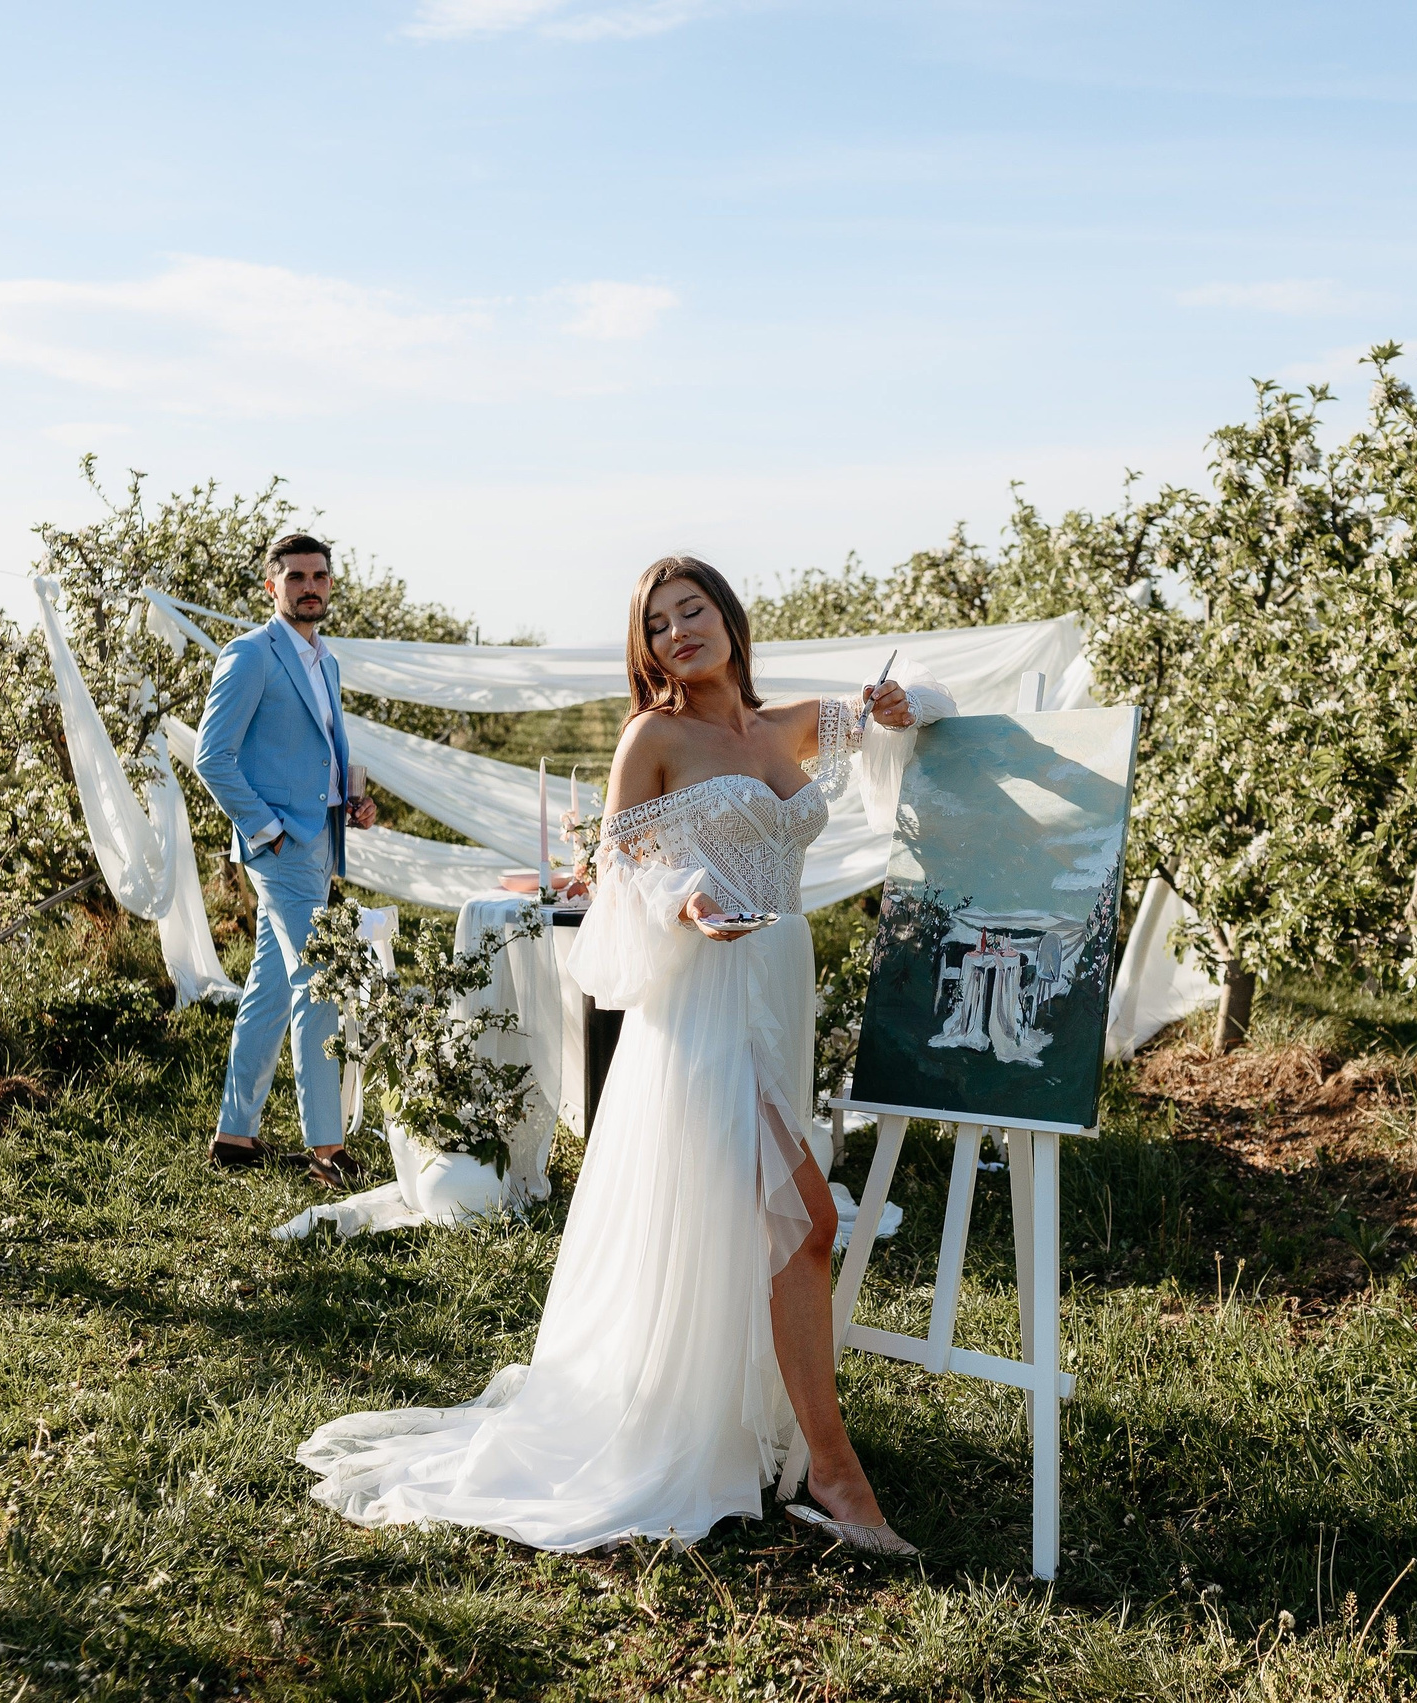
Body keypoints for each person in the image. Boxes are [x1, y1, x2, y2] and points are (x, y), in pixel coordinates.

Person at [297, 555, 948, 1557]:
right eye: (655, 623)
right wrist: (684, 893)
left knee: (768, 1224)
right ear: (643, 648)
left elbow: (916, 718)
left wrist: (908, 702)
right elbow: (617, 868)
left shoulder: (788, 727)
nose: (677, 632)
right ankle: (835, 1470)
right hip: (702, 1002)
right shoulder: (653, 736)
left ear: (729, 619)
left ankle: (747, 1423)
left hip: (776, 991)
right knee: (805, 1219)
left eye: (692, 610)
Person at [193, 533, 379, 1185]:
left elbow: (315, 752)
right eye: (296, 575)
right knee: (318, 983)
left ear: (331, 584)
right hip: (281, 848)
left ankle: (234, 1135)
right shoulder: (249, 655)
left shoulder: (324, 661)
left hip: (321, 838)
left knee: (270, 989)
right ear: (271, 586)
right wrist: (266, 829)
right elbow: (211, 756)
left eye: (319, 575)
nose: (310, 585)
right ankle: (325, 1150)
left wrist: (349, 804)